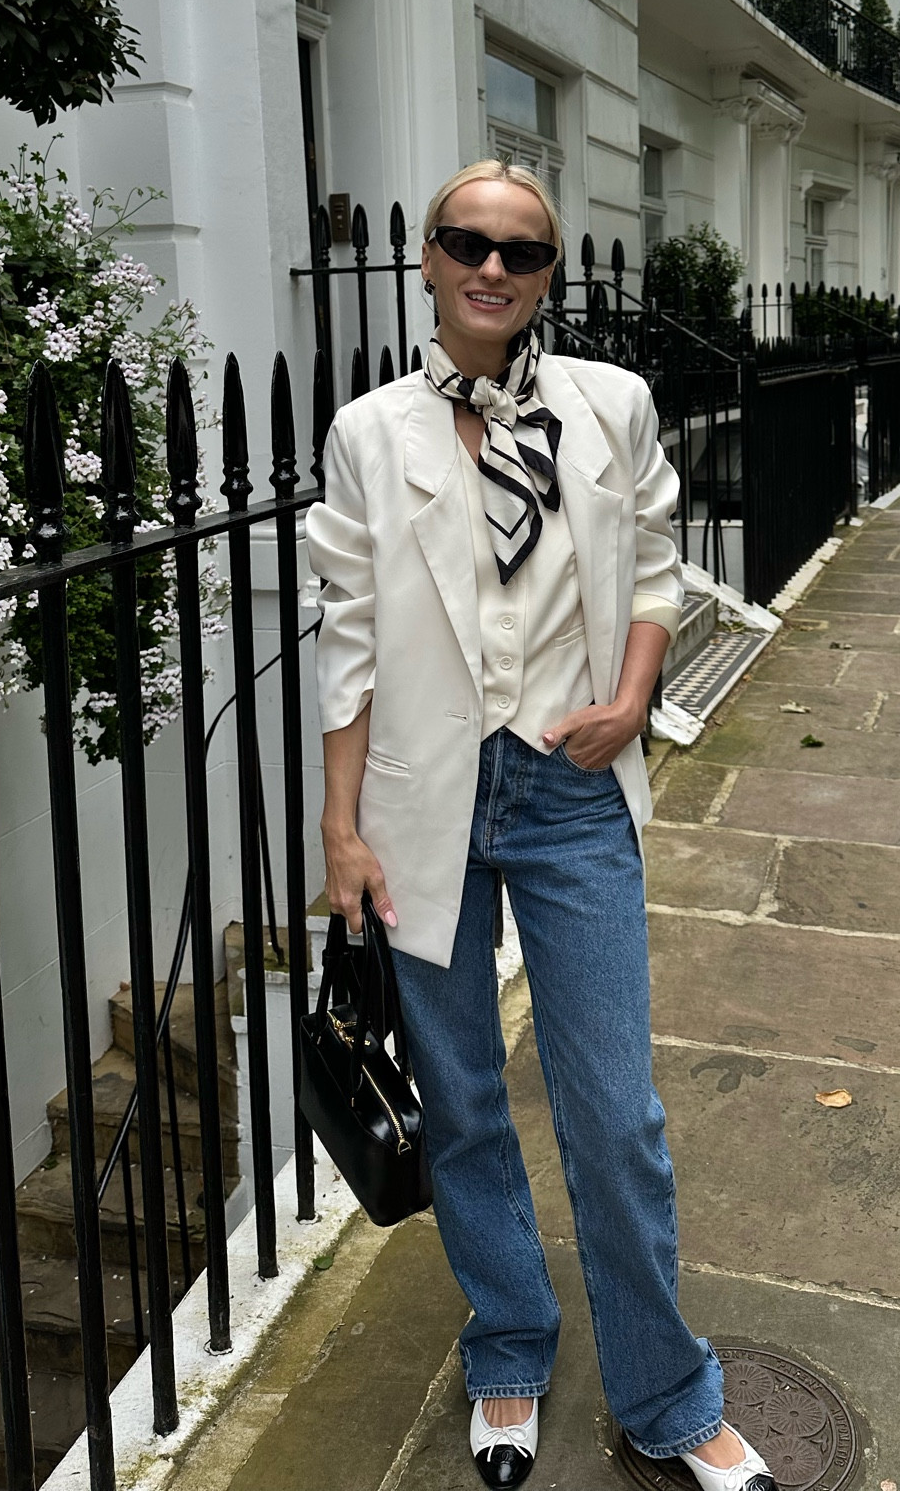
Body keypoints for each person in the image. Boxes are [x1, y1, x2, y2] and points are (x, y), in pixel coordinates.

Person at [306, 159, 776, 1491]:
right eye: (467, 242)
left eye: (522, 251)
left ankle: (668, 1395)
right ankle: (509, 1340)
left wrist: (635, 695)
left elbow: (658, 559)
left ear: (550, 274)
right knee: (460, 1104)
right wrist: (340, 830)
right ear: (432, 260)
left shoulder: (611, 405)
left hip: (571, 786)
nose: (492, 268)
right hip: (422, 805)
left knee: (614, 1112)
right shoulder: (367, 433)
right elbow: (348, 645)